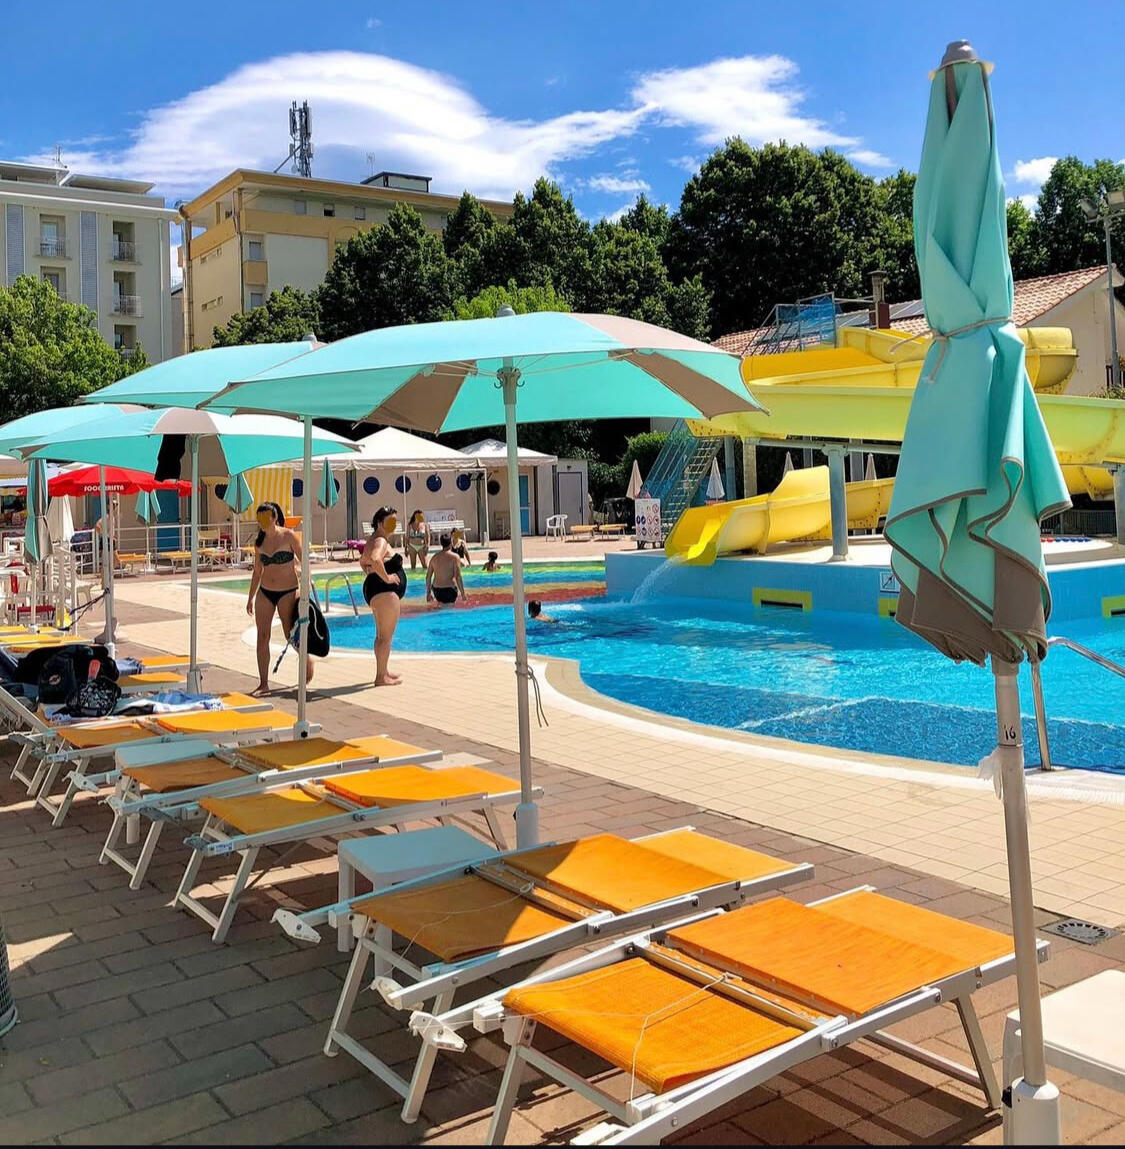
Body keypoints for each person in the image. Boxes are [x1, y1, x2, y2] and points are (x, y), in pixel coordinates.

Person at [246, 502, 311, 695]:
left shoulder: (288, 536)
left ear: (275, 518)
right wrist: (250, 597)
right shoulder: (260, 542)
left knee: (288, 632)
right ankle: (263, 683)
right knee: (262, 636)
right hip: (265, 592)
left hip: (288, 590)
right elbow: (257, 572)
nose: (263, 522)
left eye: (266, 517)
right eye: (260, 518)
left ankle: (306, 661)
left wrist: (306, 584)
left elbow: (304, 560)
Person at [361, 507, 406, 686]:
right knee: (385, 637)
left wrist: (370, 571)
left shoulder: (373, 539)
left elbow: (363, 561)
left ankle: (383, 671)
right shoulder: (380, 541)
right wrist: (387, 578)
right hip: (384, 592)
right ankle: (381, 677)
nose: (393, 525)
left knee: (381, 635)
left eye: (395, 521)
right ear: (380, 523)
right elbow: (374, 558)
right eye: (390, 522)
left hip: (376, 590)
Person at [426, 533, 466, 606]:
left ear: (441, 543)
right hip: (450, 590)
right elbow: (458, 577)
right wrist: (463, 594)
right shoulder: (455, 557)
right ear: (450, 543)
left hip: (437, 590)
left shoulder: (434, 557)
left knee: (440, 607)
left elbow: (428, 577)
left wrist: (428, 593)